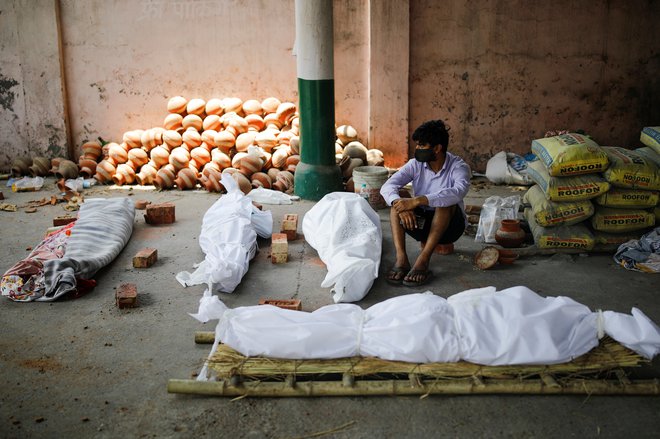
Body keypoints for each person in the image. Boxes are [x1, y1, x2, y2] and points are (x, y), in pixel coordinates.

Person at [379, 119, 471, 286]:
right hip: (419, 225)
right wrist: (400, 204)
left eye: (422, 145)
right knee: (397, 203)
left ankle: (423, 261)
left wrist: (418, 200)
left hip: (450, 228)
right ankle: (401, 260)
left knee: (445, 202)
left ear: (437, 148)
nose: (417, 149)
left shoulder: (458, 166)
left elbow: (458, 191)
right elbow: (388, 186)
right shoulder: (415, 165)